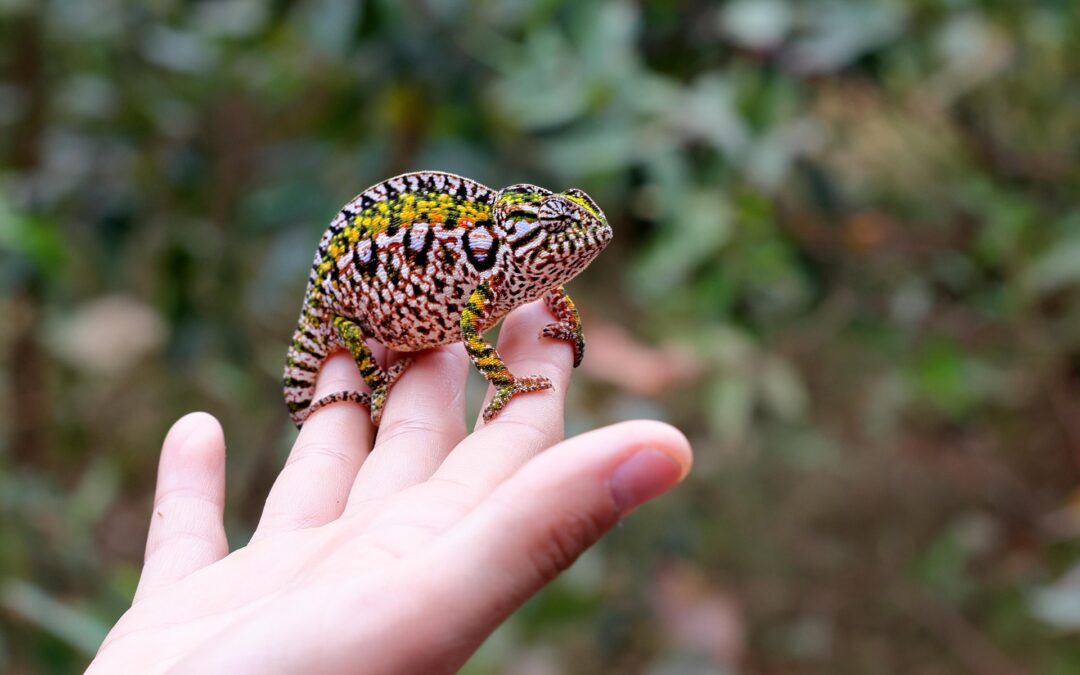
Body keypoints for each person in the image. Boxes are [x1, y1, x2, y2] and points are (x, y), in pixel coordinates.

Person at [86, 302, 693, 674]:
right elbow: (471, 331)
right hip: (351, 299)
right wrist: (500, 385)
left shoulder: (513, 267)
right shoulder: (488, 270)